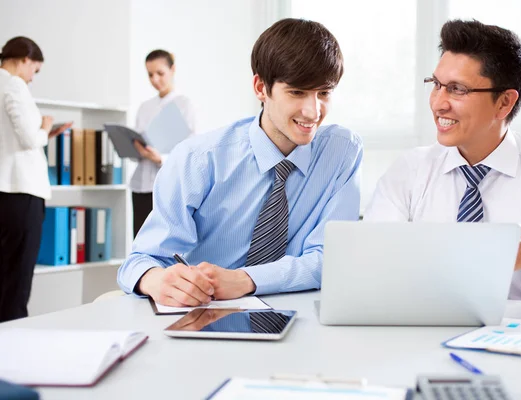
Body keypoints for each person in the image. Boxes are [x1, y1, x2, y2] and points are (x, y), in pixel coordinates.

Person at [117, 18, 362, 306]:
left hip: (302, 315)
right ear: (261, 87)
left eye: (324, 93)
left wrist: (246, 280)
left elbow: (329, 258)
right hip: (208, 314)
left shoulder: (341, 151)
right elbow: (140, 261)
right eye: (297, 92)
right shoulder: (198, 160)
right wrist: (157, 280)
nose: (313, 111)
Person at [365, 19, 521, 310]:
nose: (438, 103)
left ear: (504, 103)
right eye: (436, 85)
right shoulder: (408, 172)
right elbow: (372, 268)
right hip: (421, 332)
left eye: (457, 89)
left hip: (519, 340)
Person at [0, 36, 71, 322]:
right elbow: (29, 138)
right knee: (17, 280)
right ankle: (13, 352)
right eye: (35, 71)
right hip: (22, 191)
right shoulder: (14, 84)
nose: (32, 78)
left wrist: (40, 135)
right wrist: (46, 127)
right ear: (25, 59)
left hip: (4, 191)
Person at [130, 49, 197, 237]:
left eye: (160, 73)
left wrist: (161, 158)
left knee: (162, 242)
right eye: (150, 74)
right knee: (140, 241)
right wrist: (136, 149)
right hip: (141, 185)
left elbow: (190, 149)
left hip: (167, 186)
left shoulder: (184, 104)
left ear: (172, 69)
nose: (155, 79)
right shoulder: (145, 107)